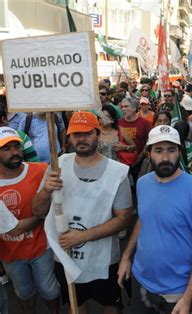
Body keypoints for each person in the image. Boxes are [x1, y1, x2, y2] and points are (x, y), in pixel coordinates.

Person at [32, 111, 133, 313]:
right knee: (75, 303)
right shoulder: (57, 166)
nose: (82, 139)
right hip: (66, 255)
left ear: (97, 133)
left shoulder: (117, 171)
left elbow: (124, 219)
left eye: (87, 133)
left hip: (104, 257)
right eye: (76, 134)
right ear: (69, 138)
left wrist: (82, 236)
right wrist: (45, 191)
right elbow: (37, 210)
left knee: (111, 304)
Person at [117, 125, 192, 313]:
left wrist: (188, 297)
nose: (165, 158)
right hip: (142, 282)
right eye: (158, 150)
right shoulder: (143, 183)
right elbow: (143, 220)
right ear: (148, 153)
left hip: (178, 292)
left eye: (171, 150)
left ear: (179, 152)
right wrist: (126, 256)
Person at [0, 127, 60, 313]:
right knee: (24, 292)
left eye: (17, 146)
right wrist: (41, 215)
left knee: (49, 291)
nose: (15, 152)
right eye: (6, 149)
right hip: (10, 253)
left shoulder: (41, 171)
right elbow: (14, 230)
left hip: (41, 247)